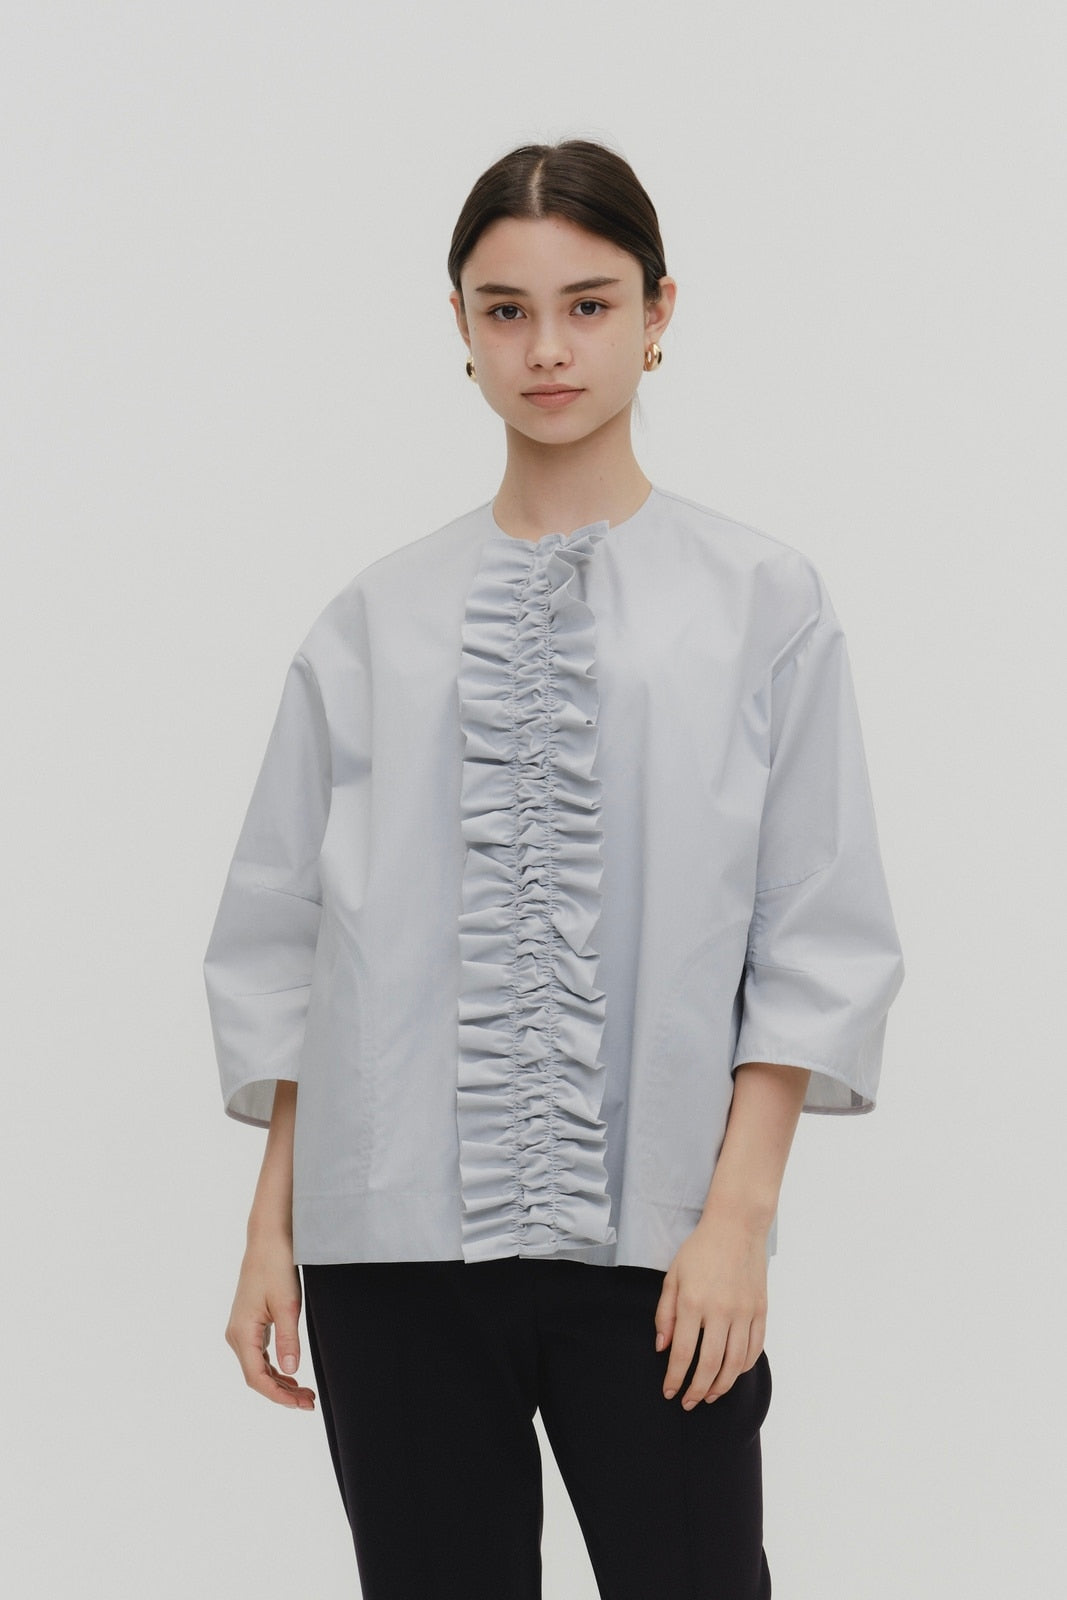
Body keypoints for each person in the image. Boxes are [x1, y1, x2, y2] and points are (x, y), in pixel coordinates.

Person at [204, 138, 905, 1600]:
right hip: (389, 1250)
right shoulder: (372, 621)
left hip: (660, 1252)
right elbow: (298, 942)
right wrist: (274, 1224)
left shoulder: (764, 603)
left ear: (658, 314)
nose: (547, 349)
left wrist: (735, 1225)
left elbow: (815, 931)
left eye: (588, 305)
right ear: (460, 329)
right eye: (507, 310)